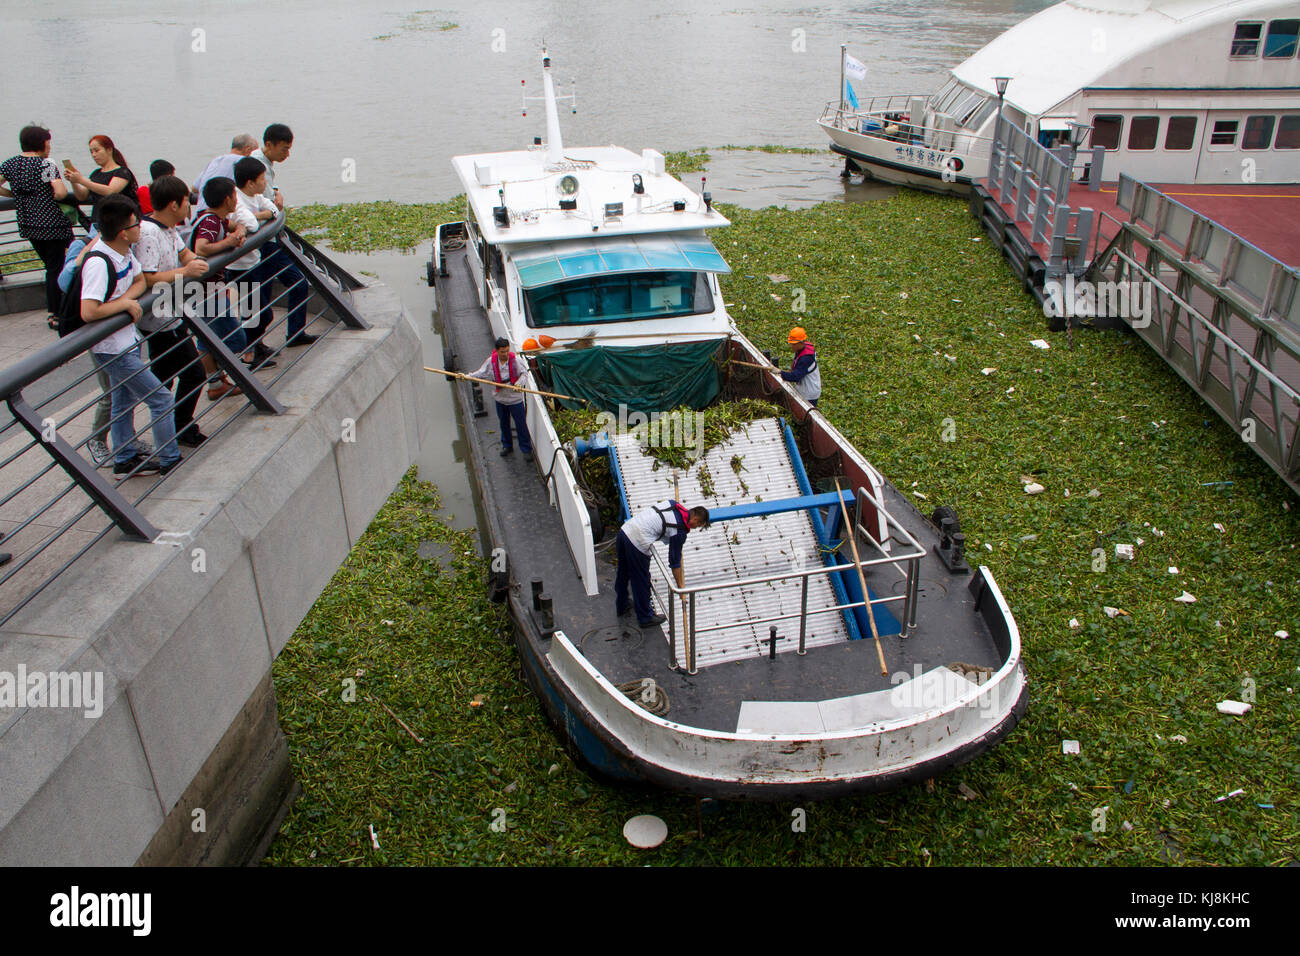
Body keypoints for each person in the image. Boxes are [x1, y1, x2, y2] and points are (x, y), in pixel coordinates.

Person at [80, 195, 180, 477]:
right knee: (160, 398)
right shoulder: (99, 262)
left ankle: (124, 458)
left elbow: (138, 280)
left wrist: (126, 299)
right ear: (124, 232)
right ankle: (170, 458)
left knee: (123, 401)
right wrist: (123, 304)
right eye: (137, 223)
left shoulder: (122, 252)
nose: (141, 227)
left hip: (128, 340)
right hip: (112, 348)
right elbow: (89, 311)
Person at [134, 174, 214, 446]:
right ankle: (180, 426)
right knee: (193, 373)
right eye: (185, 202)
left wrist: (196, 262)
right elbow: (149, 277)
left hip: (171, 313)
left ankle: (168, 425)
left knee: (164, 376)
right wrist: (187, 270)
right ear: (173, 205)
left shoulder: (168, 229)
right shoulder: (148, 233)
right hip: (158, 318)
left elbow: (184, 254)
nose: (188, 207)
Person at [0, 125, 75, 327]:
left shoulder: (11, 164)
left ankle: (56, 311)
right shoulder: (45, 165)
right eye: (48, 142)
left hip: (29, 225)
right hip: (53, 225)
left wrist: (13, 194)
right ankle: (57, 313)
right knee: (57, 268)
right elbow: (59, 193)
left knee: (51, 267)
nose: (49, 147)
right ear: (41, 143)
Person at [191, 176, 265, 377]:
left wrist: (238, 231)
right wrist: (229, 243)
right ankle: (219, 375)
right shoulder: (211, 222)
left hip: (208, 288)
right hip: (206, 289)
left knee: (209, 336)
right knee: (235, 339)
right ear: (227, 200)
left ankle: (216, 381)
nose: (236, 199)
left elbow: (237, 226)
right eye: (234, 195)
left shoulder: (217, 218)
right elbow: (201, 247)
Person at [615, 500, 710, 628]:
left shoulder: (673, 504)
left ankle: (622, 604)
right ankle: (645, 618)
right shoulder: (680, 530)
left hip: (624, 531)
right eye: (698, 525)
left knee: (623, 571)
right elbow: (674, 562)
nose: (695, 528)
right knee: (641, 580)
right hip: (636, 542)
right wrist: (680, 587)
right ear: (695, 519)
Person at [470, 337, 534, 460]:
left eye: (506, 351)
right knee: (504, 423)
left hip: (514, 399)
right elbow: (481, 373)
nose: (505, 354)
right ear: (497, 351)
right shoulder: (491, 361)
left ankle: (526, 449)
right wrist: (468, 376)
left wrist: (519, 384)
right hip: (500, 398)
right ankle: (507, 445)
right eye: (502, 352)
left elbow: (524, 374)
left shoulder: (516, 360)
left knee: (520, 424)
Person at [64, 134, 139, 218]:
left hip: (119, 220)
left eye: (97, 151)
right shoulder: (96, 173)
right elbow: (82, 196)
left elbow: (110, 191)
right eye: (91, 152)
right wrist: (74, 181)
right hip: (98, 221)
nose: (94, 155)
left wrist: (81, 180)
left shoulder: (122, 171)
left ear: (109, 150)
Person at [193, 134, 257, 214]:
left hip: (199, 216)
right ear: (248, 150)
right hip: (218, 216)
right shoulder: (243, 163)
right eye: (255, 153)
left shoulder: (216, 160)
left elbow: (194, 188)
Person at [249, 123, 293, 211]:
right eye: (284, 149)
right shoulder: (259, 166)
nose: (287, 154)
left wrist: (276, 192)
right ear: (269, 145)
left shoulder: (256, 154)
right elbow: (269, 200)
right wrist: (277, 196)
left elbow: (270, 187)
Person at [781, 326, 822, 406]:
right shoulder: (802, 349)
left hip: (809, 393)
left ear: (801, 342)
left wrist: (780, 373)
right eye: (791, 343)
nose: (791, 346)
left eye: (793, 344)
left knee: (807, 414)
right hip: (804, 387)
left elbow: (795, 377)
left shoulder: (806, 359)